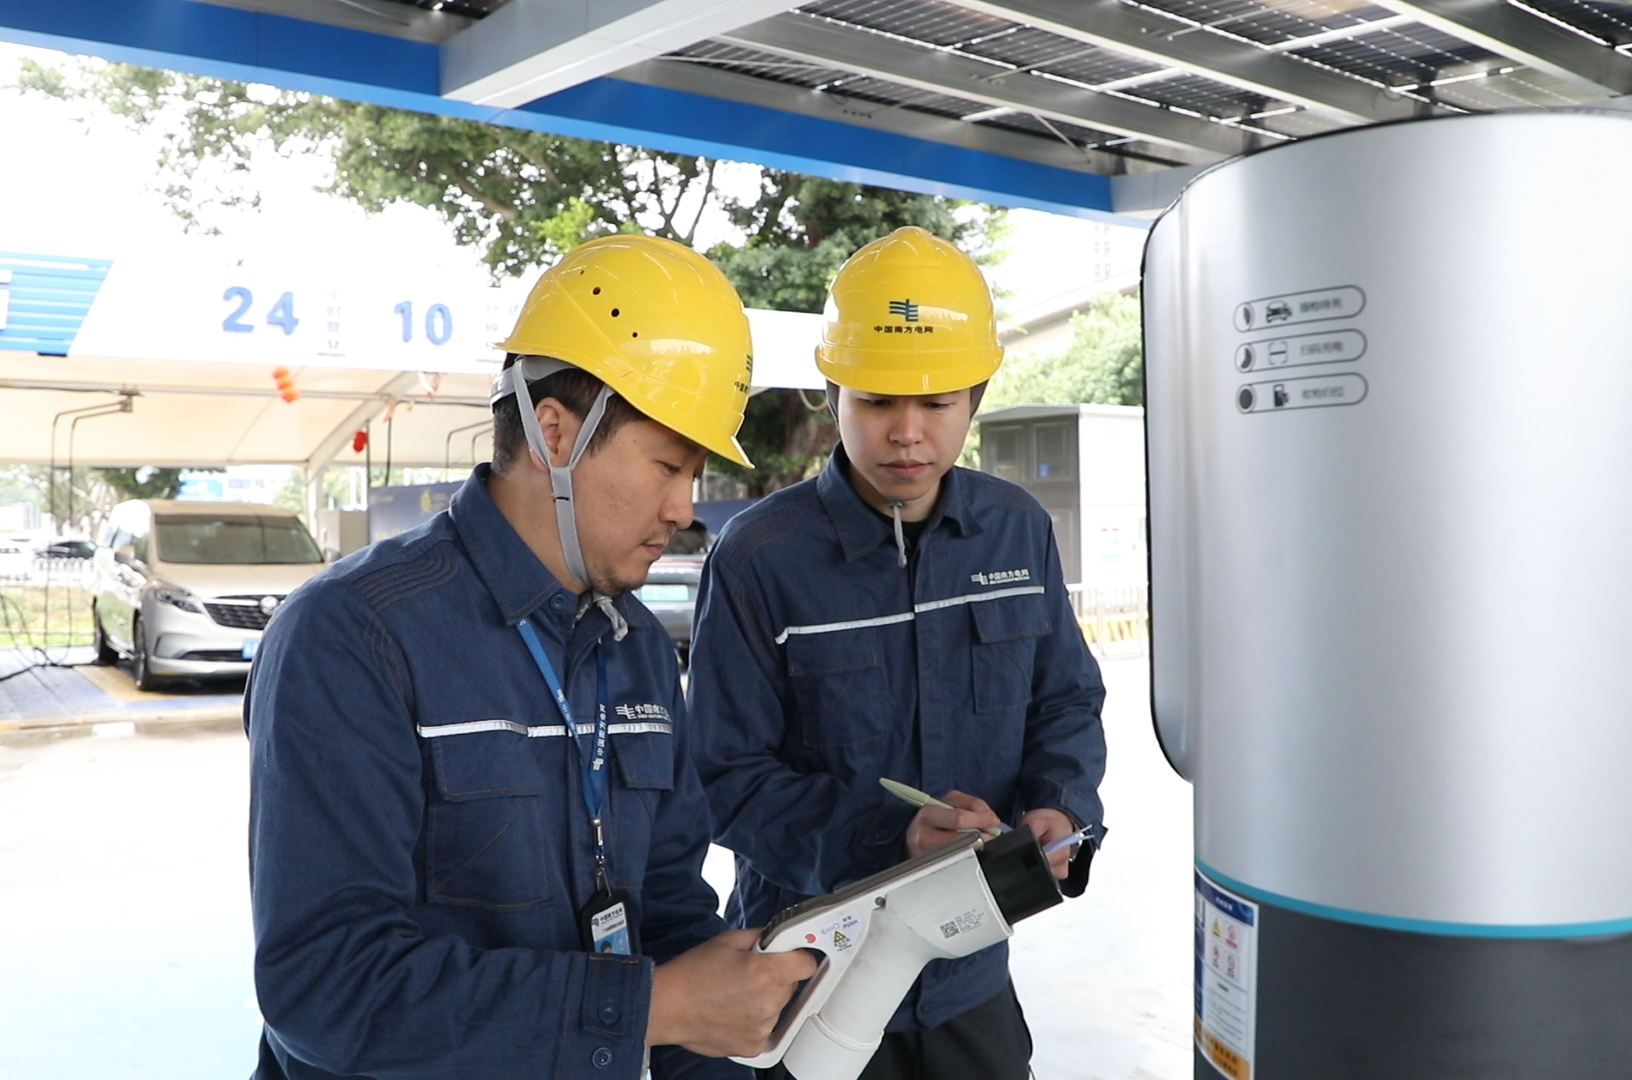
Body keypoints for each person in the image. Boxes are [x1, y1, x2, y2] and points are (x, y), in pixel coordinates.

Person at [244, 234, 817, 1080]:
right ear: (555, 432)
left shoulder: (637, 650)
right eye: (668, 464)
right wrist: (647, 1007)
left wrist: (718, 1009)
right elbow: (327, 988)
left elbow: (669, 920)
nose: (683, 507)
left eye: (695, 472)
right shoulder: (354, 635)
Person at [688, 226, 1108, 1080]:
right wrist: (889, 837)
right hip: (809, 978)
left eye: (937, 403)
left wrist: (1059, 805)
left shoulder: (1016, 530)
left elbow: (1064, 699)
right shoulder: (760, 559)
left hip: (966, 973)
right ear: (832, 394)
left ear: (975, 398)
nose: (907, 433)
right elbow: (725, 778)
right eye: (878, 401)